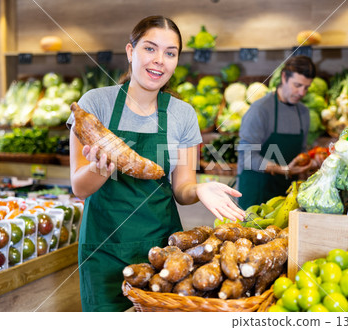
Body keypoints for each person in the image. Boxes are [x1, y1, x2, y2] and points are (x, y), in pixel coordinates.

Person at [67, 15, 244, 312]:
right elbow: (79, 188)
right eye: (150, 49)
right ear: (130, 51)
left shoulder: (183, 114)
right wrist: (99, 169)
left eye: (170, 53)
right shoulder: (95, 104)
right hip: (103, 248)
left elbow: (182, 189)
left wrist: (199, 189)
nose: (159, 60)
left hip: (162, 254)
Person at [237, 55, 317, 209]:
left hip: (285, 197)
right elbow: (246, 156)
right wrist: (282, 169)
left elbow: (301, 152)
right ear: (284, 77)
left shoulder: (303, 113)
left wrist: (311, 163)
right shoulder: (260, 109)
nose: (302, 92)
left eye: (306, 87)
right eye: (297, 85)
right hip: (256, 195)